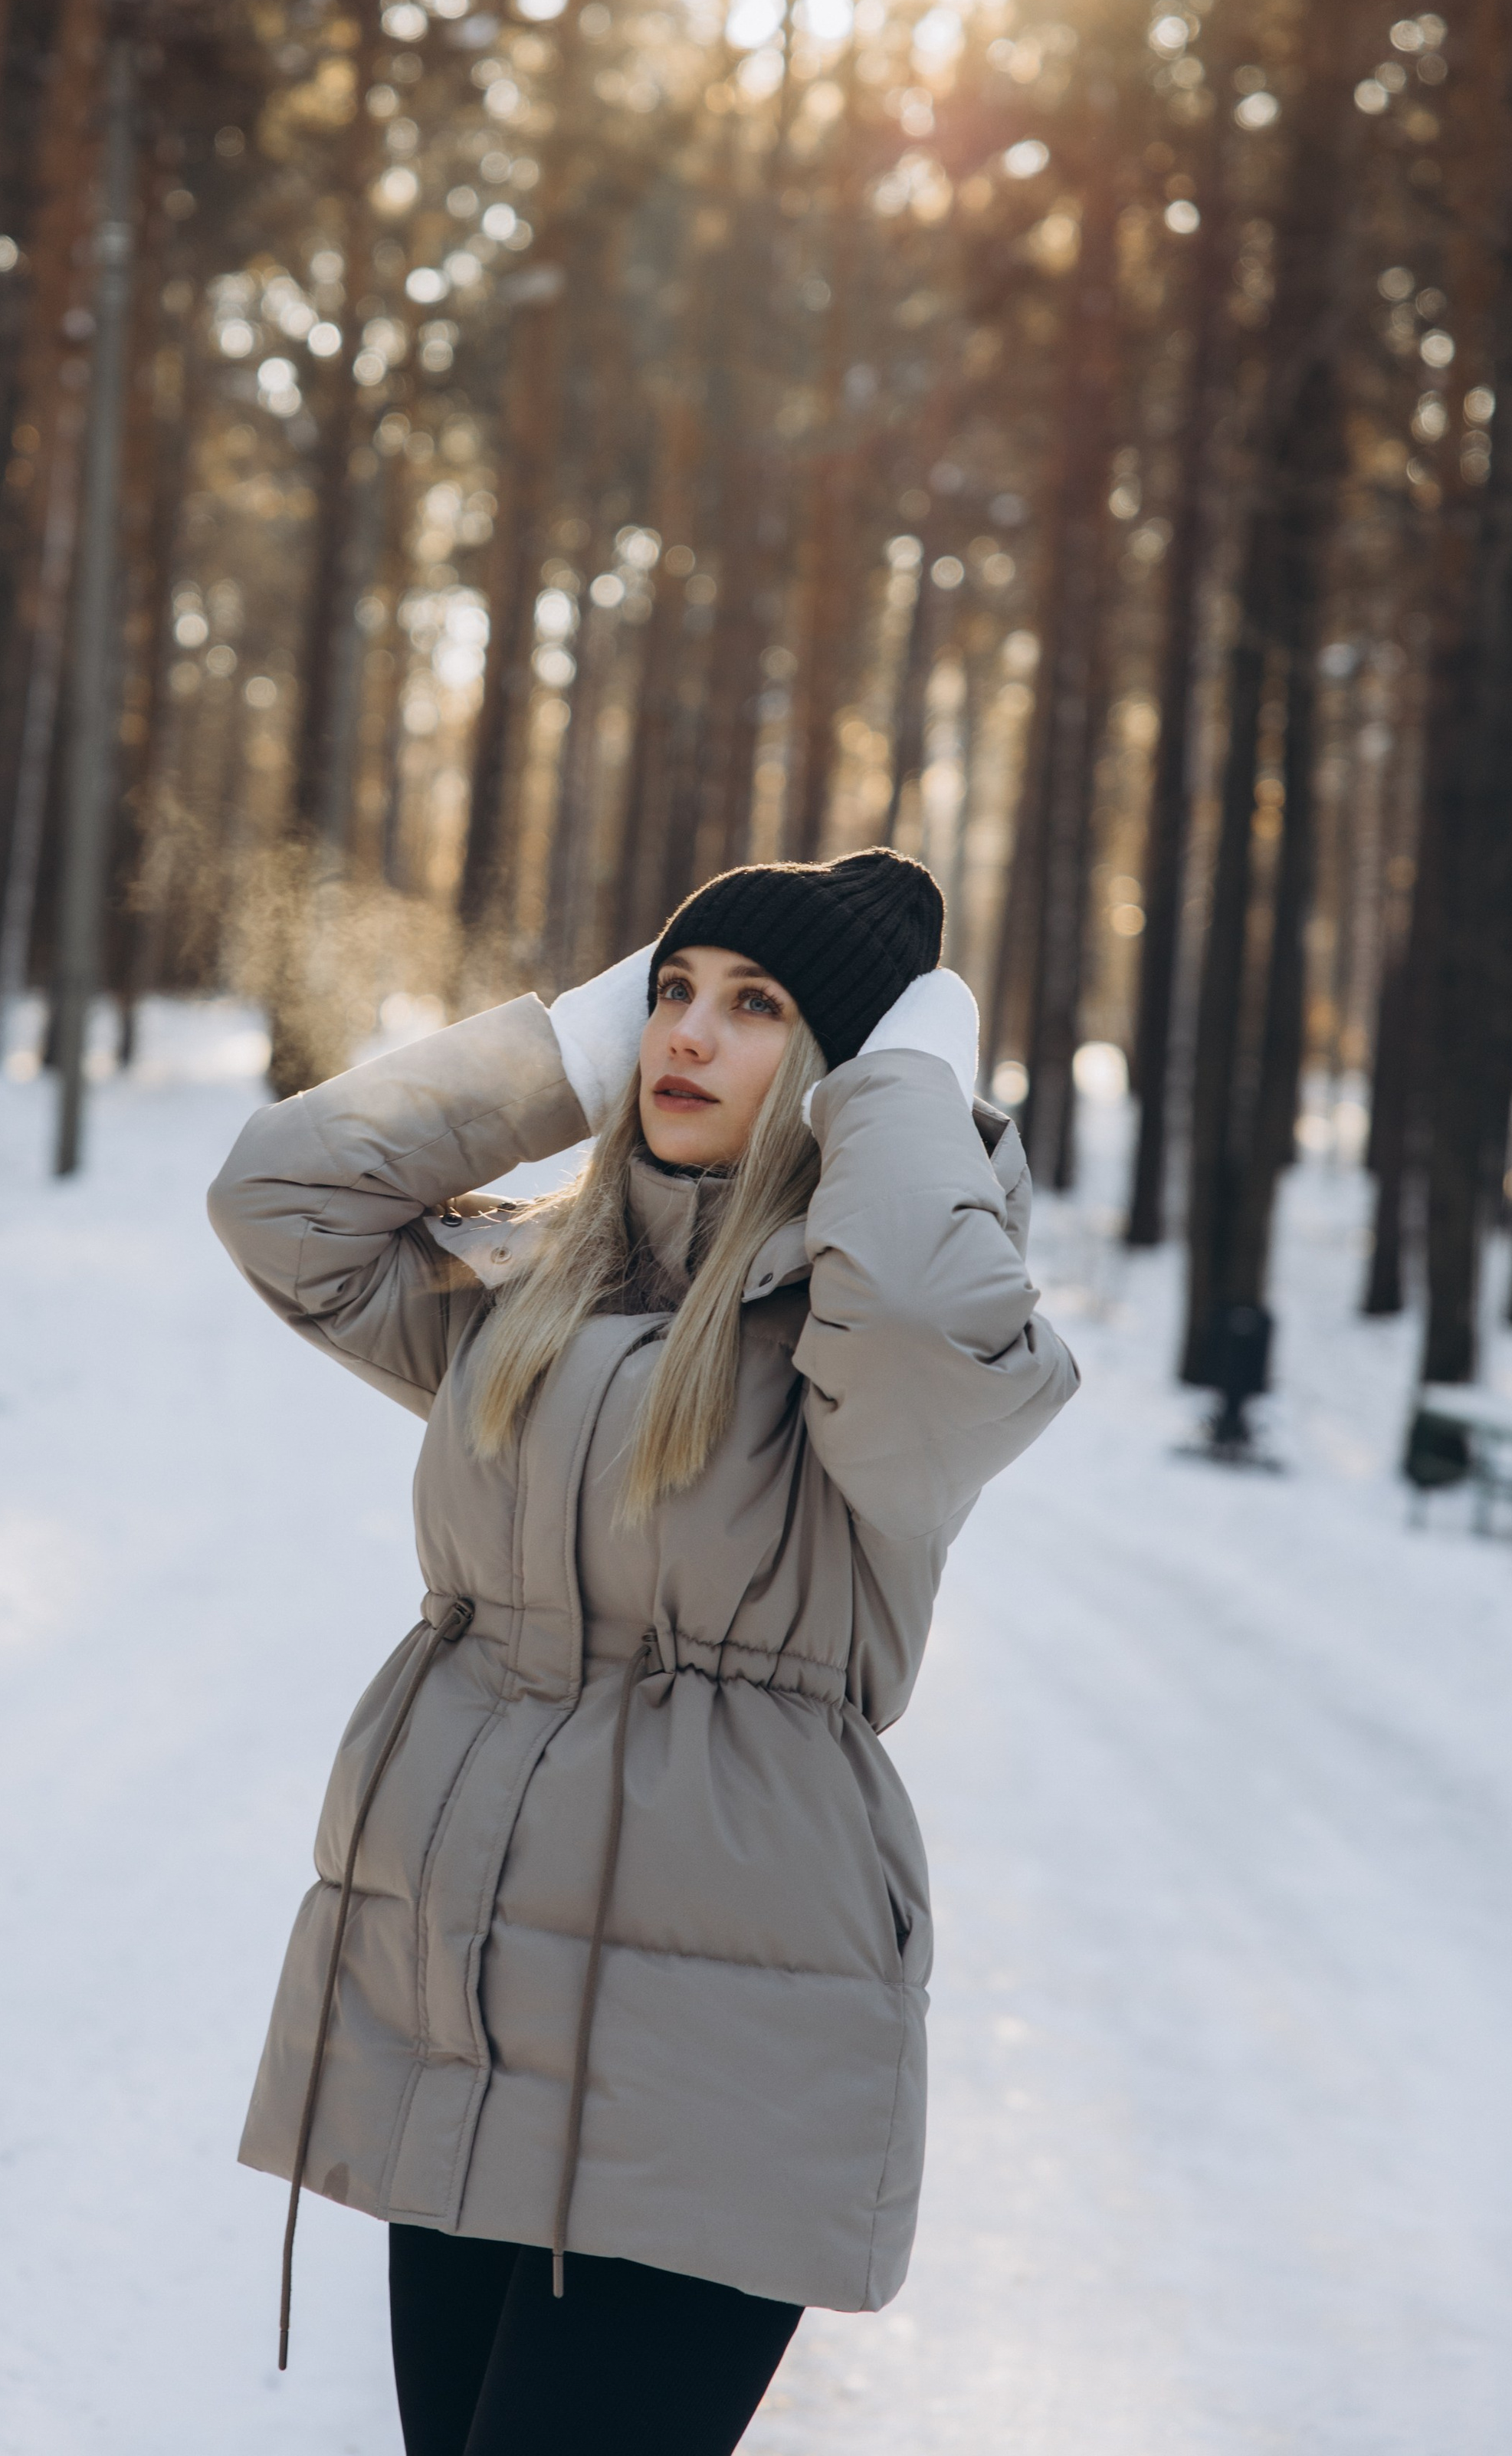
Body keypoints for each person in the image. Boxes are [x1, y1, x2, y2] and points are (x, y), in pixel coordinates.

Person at [208, 848, 1078, 2456]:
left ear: (850, 1077)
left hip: (717, 2066)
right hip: (465, 2017)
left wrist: (903, 1063)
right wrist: (578, 1044)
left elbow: (904, 1312)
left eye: (756, 1009)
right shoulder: (534, 1294)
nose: (690, 1032)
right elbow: (278, 1197)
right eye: (674, 993)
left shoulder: (883, 1341)